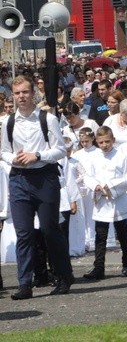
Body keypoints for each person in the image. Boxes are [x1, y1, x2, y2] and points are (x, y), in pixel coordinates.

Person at [0, 75, 74, 299]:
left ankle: (63, 275)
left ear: (33, 93)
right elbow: (3, 150)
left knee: (50, 229)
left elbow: (60, 149)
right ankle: (25, 283)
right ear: (12, 95)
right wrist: (13, 159)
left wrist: (38, 155)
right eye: (17, 93)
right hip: (19, 178)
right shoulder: (8, 122)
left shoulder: (47, 119)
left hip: (44, 177)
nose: (21, 97)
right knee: (24, 233)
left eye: (25, 92)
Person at [83, 126, 127, 280]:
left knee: (122, 234)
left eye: (107, 141)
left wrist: (112, 186)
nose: (104, 145)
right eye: (101, 142)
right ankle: (99, 267)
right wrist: (96, 186)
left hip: (118, 200)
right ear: (96, 142)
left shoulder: (121, 156)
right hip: (101, 201)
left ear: (113, 140)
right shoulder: (94, 157)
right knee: (100, 235)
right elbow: (87, 176)